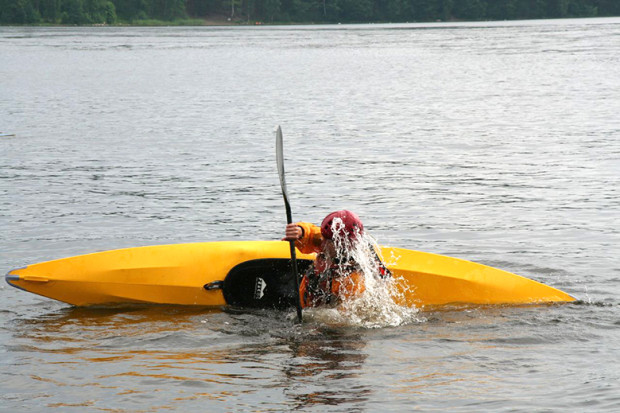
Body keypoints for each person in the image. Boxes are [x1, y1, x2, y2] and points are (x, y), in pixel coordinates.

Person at [283, 210, 390, 308]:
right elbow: (311, 234)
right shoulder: (330, 240)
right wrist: (300, 231)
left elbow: (346, 318)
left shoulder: (355, 278)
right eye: (324, 238)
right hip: (310, 300)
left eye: (328, 241)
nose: (323, 243)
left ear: (342, 244)